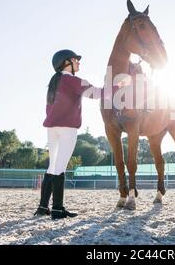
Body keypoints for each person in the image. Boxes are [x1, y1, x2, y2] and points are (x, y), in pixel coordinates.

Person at [34, 49, 116, 220]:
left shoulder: (54, 82)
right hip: (67, 129)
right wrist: (118, 87)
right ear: (66, 63)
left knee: (52, 166)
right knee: (60, 168)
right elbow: (98, 94)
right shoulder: (72, 81)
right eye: (75, 59)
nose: (78, 62)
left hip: (52, 129)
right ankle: (57, 209)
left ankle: (43, 207)